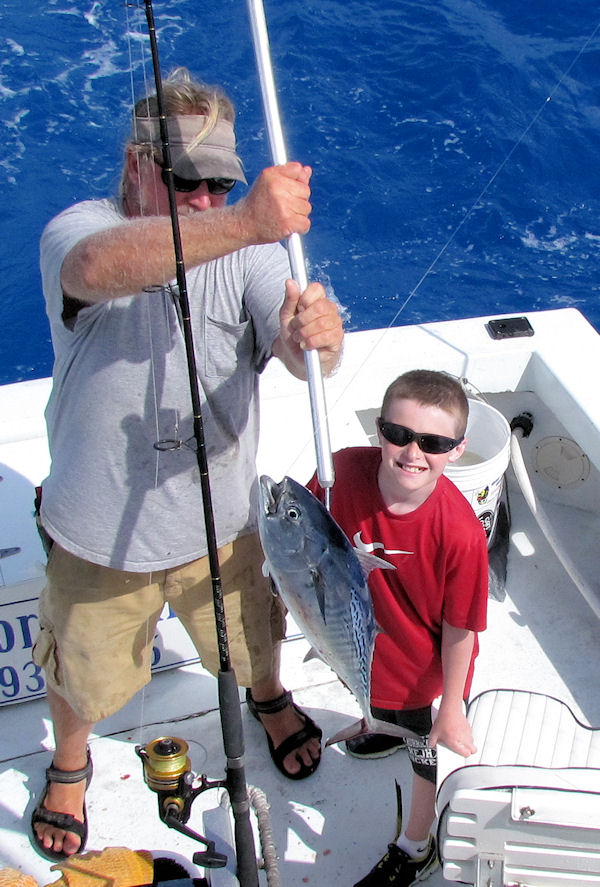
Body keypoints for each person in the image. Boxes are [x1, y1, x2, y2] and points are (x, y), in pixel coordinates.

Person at [31, 67, 343, 861]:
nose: (208, 199)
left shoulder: (246, 250)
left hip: (226, 525)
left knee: (251, 641)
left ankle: (268, 698)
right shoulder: (82, 228)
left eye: (223, 186)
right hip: (99, 536)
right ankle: (71, 762)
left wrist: (317, 333)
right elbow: (93, 271)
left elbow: (292, 333)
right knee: (83, 674)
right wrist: (243, 220)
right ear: (138, 164)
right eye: (188, 180)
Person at [307, 370, 488, 887]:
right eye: (398, 434)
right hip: (359, 645)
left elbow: (461, 631)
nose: (412, 452)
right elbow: (307, 533)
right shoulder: (338, 470)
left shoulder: (460, 534)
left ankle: (416, 843)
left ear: (456, 450)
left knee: (422, 744)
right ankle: (378, 725)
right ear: (379, 429)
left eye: (433, 442)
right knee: (378, 706)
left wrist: (451, 706)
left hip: (418, 671)